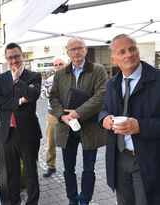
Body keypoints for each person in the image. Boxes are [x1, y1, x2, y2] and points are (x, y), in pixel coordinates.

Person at [99, 34, 160, 205]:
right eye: (122, 51)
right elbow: (104, 110)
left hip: (147, 159)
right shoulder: (112, 83)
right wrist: (104, 119)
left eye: (132, 49)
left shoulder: (157, 80)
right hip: (119, 158)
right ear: (114, 59)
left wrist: (141, 126)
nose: (129, 54)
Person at [49, 38, 107, 205]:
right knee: (68, 169)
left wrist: (78, 113)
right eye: (72, 49)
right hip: (66, 128)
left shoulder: (98, 70)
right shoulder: (60, 74)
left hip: (89, 128)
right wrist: (62, 116)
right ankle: (72, 200)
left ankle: (84, 201)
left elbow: (101, 96)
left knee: (89, 168)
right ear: (67, 52)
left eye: (79, 48)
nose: (76, 52)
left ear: (85, 50)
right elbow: (54, 98)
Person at [0, 42, 42, 204]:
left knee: (30, 171)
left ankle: (32, 202)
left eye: (16, 56)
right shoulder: (1, 78)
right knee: (11, 171)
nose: (14, 60)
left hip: (28, 133)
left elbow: (33, 95)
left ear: (22, 56)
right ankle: (13, 202)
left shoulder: (34, 76)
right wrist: (20, 101)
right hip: (8, 132)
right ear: (6, 59)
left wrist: (18, 80)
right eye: (10, 58)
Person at [43, 56, 68, 178]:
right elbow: (43, 95)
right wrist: (48, 91)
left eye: (61, 64)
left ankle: (68, 167)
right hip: (52, 115)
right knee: (51, 142)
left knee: (67, 142)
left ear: (66, 65)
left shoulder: (71, 78)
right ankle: (50, 166)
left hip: (67, 115)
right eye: (56, 65)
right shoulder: (49, 80)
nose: (58, 67)